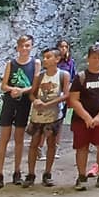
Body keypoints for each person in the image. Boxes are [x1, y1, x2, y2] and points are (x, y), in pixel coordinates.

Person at [67, 42, 99, 191]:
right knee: (82, 147)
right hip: (81, 119)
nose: (96, 60)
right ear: (88, 58)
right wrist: (86, 117)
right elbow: (74, 99)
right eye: (94, 57)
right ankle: (81, 177)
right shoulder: (81, 77)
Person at [0, 35, 38, 189]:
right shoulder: (11, 64)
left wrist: (21, 91)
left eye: (27, 45)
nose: (25, 48)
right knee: (4, 138)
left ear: (31, 46)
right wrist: (13, 89)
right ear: (18, 47)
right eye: (22, 46)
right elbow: (3, 85)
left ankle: (17, 172)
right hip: (10, 101)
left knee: (19, 138)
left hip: (24, 102)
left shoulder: (35, 63)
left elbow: (34, 85)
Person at [24, 47, 70, 188]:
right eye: (44, 57)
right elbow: (32, 93)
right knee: (34, 143)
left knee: (51, 144)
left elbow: (66, 95)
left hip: (53, 115)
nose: (45, 60)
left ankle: (47, 173)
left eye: (48, 57)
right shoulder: (39, 76)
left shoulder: (63, 75)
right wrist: (35, 101)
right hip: (38, 115)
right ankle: (30, 174)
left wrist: (48, 104)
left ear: (57, 59)